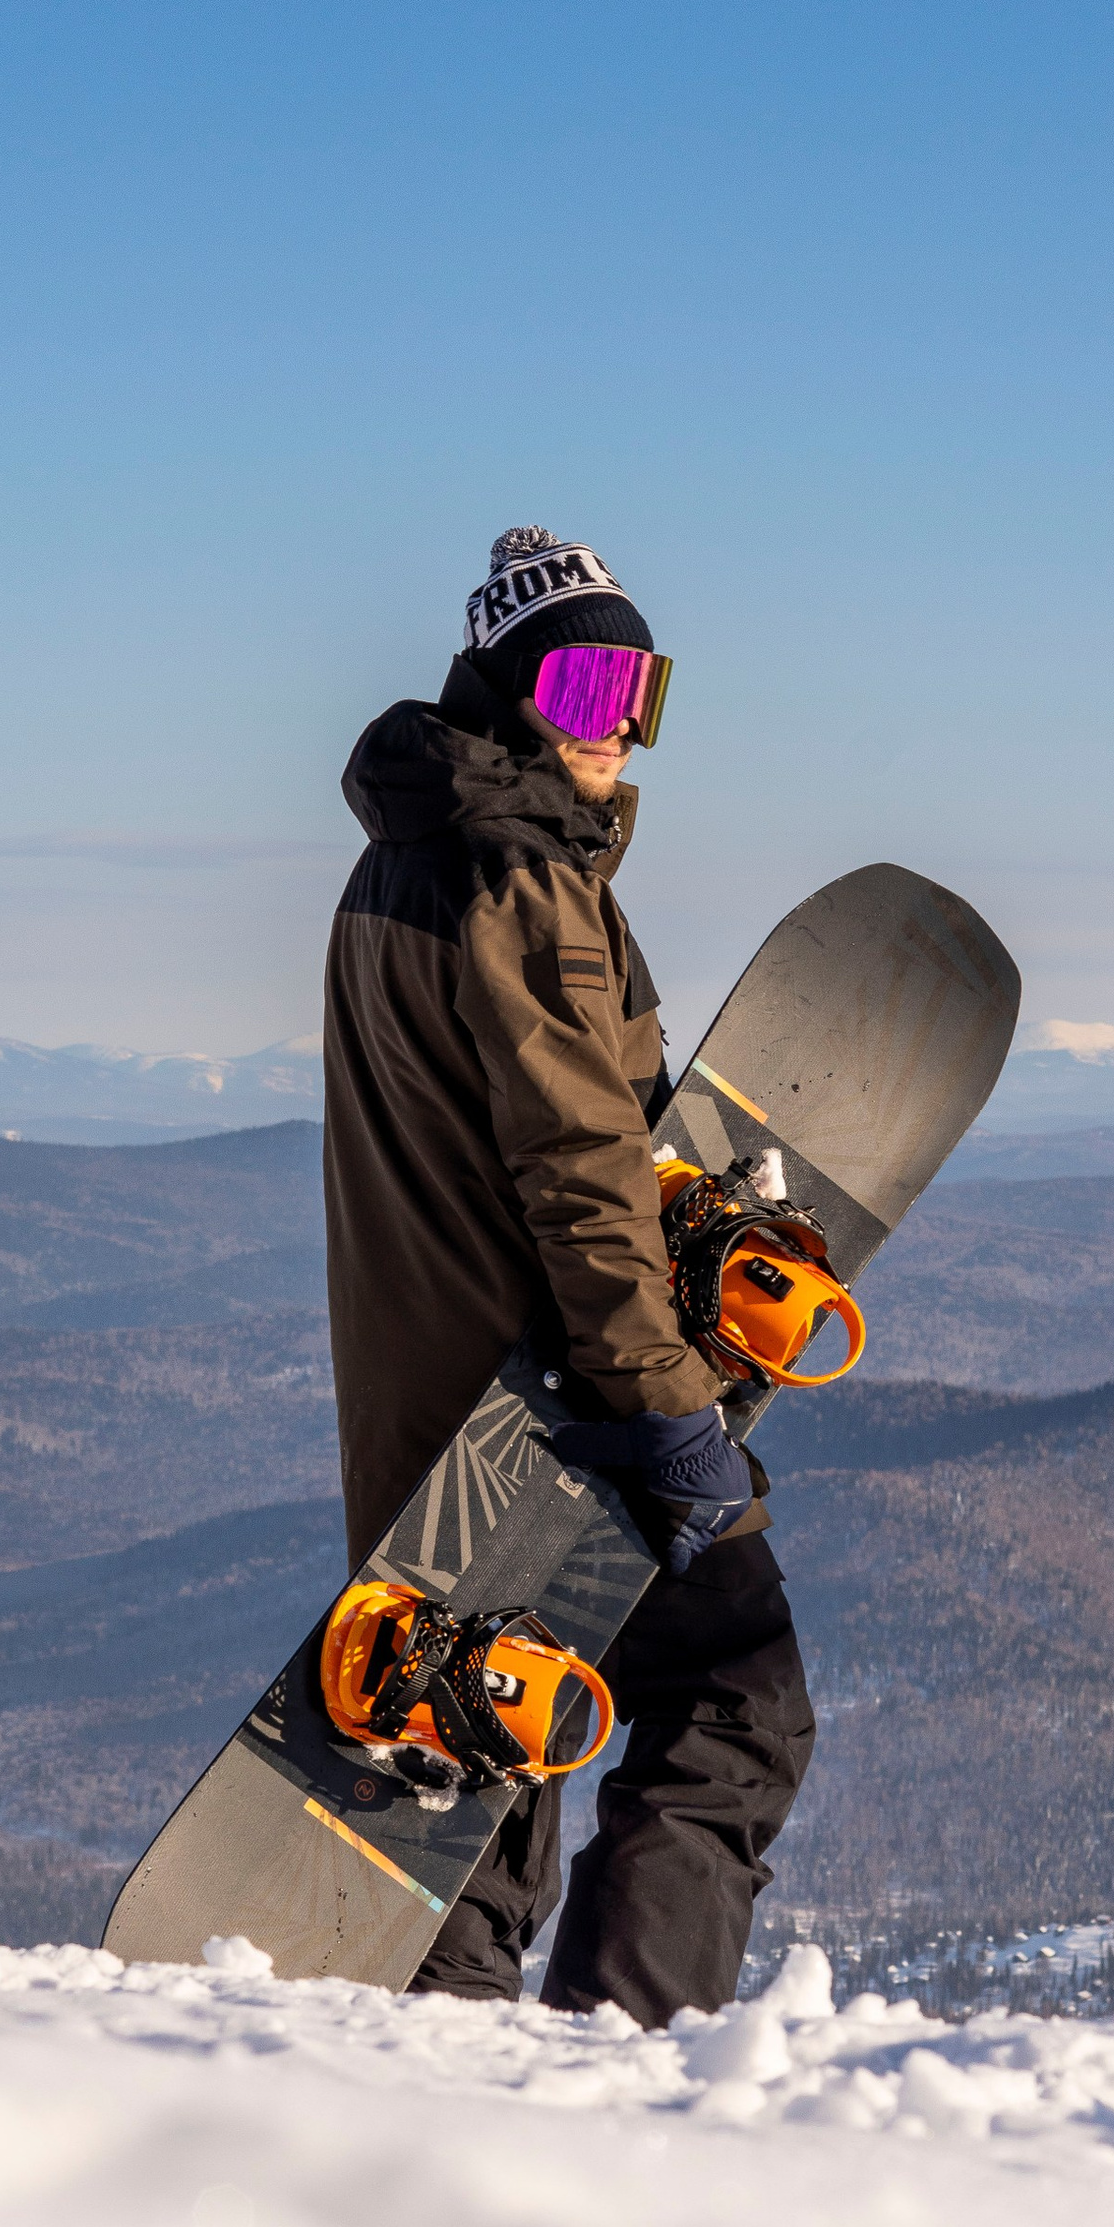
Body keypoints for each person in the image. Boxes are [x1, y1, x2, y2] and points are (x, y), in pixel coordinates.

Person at [321, 522, 816, 2023]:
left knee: (480, 1764)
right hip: (567, 1405)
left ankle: (457, 2065)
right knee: (737, 1701)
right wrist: (670, 1407)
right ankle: (627, 2044)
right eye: (589, 684)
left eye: (640, 693)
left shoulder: (393, 864)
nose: (614, 727)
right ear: (514, 689)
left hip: (427, 1416)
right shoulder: (525, 881)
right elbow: (582, 1175)